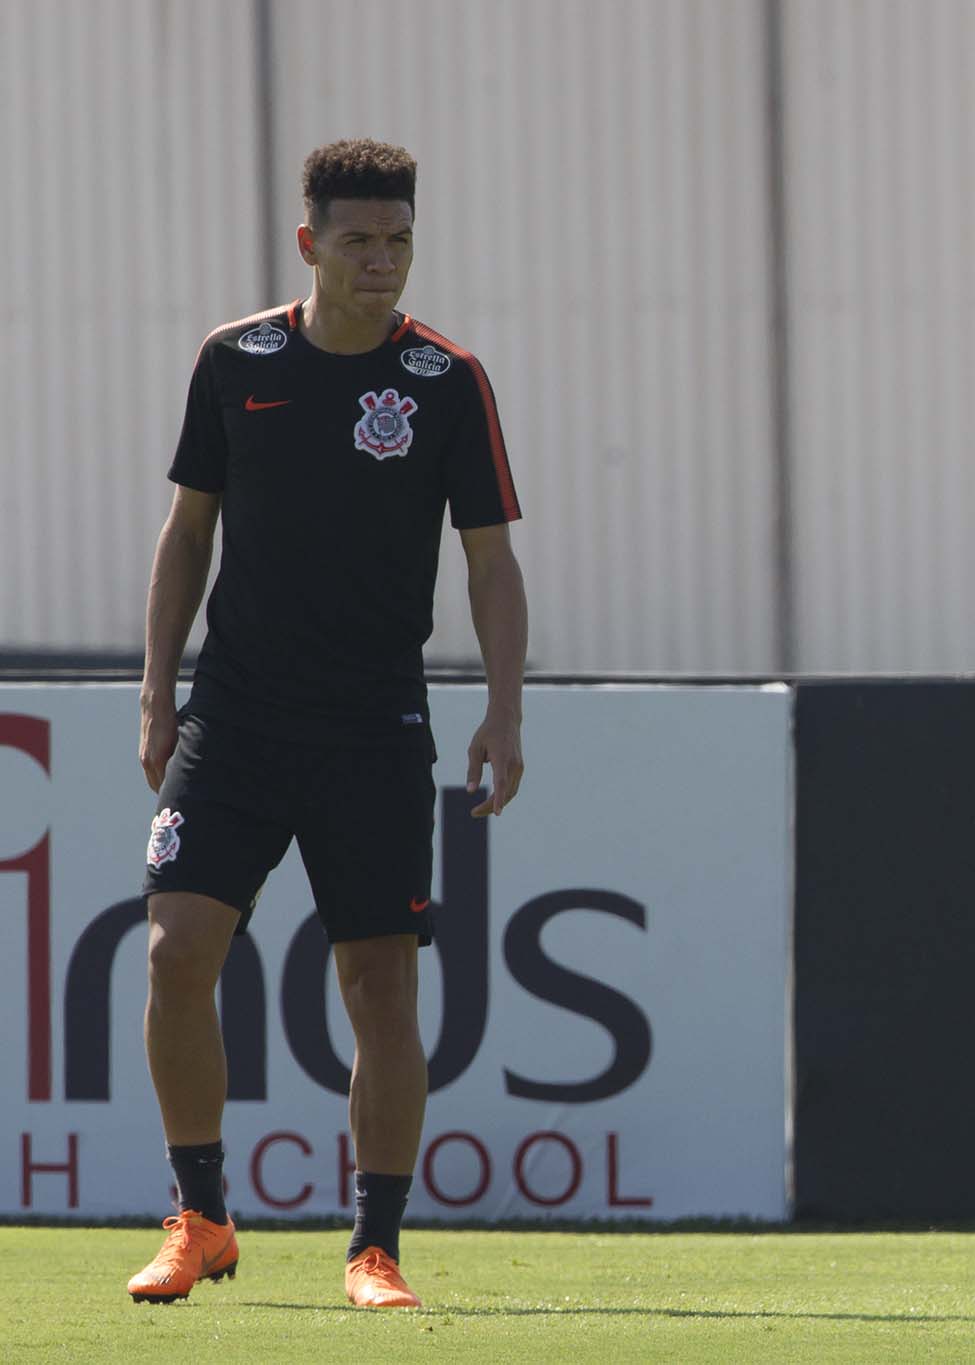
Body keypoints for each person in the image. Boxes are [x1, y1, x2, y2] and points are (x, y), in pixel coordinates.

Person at [128, 139, 528, 1310]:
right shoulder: (233, 360)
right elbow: (186, 534)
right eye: (357, 240)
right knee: (175, 952)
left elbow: (492, 562)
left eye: (399, 241)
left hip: (373, 727)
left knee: (381, 991)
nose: (381, 262)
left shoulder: (448, 382)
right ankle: (200, 1218)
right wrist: (158, 688)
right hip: (237, 719)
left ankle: (376, 1247)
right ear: (310, 243)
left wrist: (504, 711)